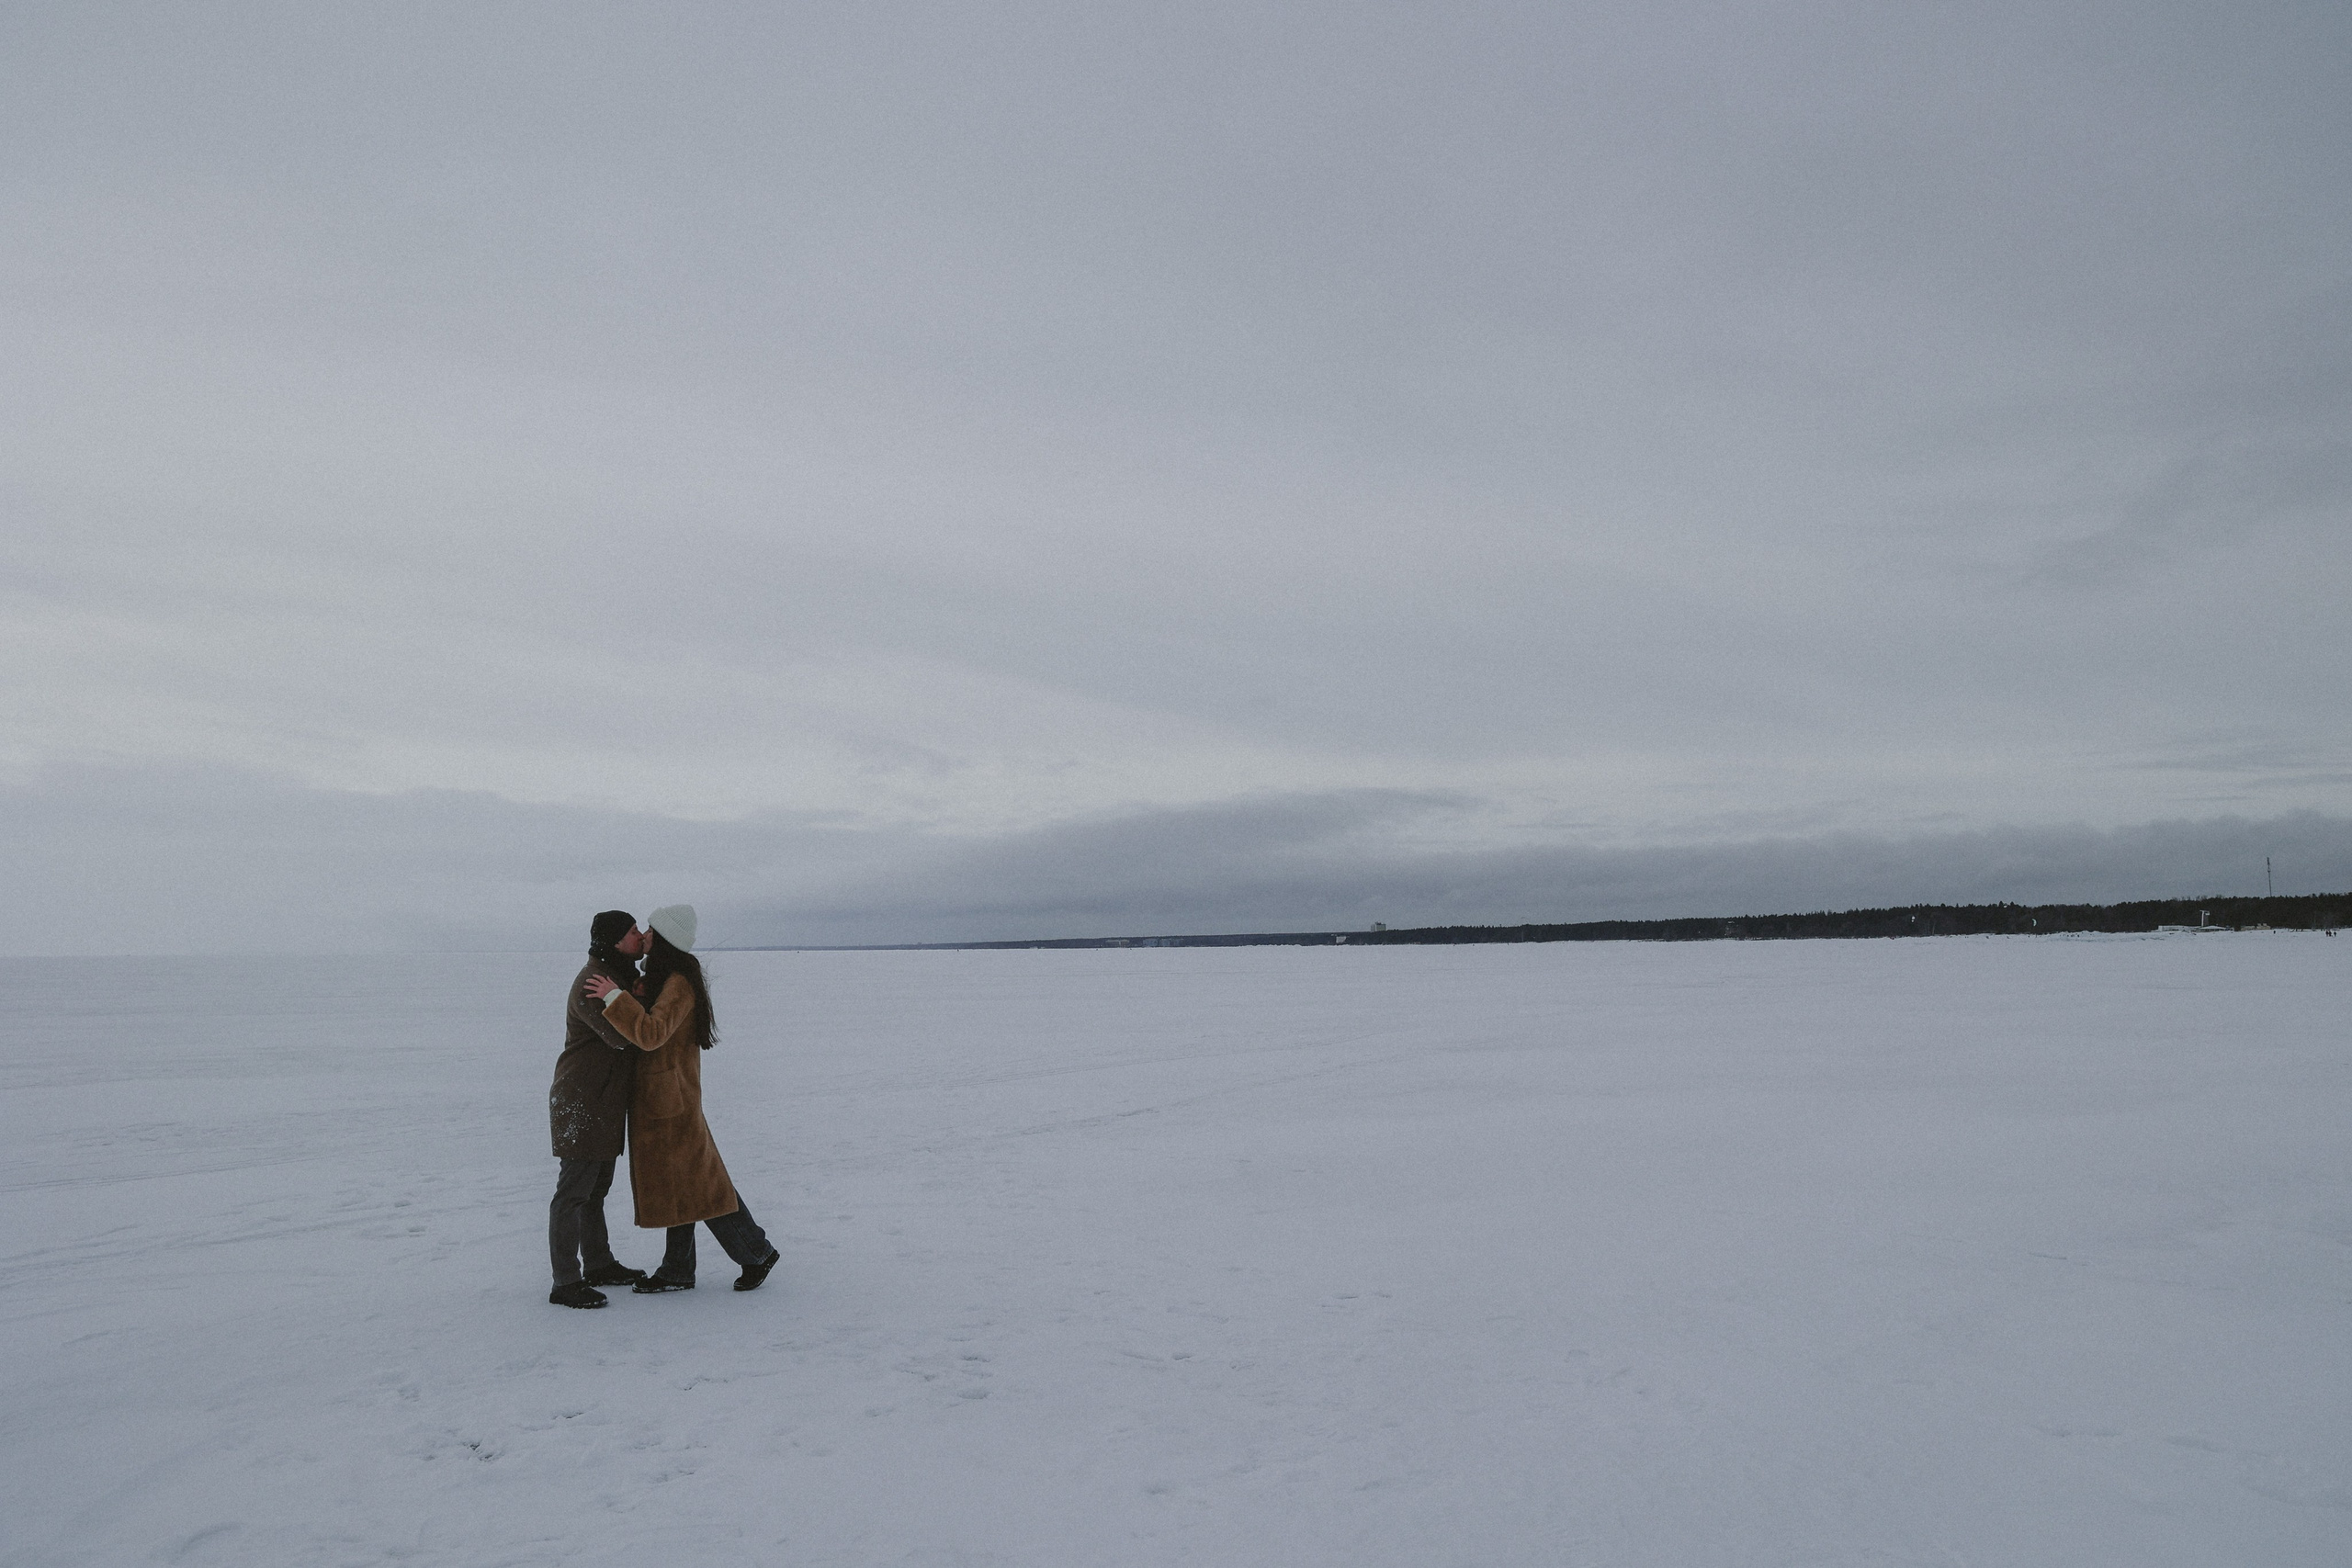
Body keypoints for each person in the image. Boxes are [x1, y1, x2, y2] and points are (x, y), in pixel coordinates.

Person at [584, 904, 780, 1293]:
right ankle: (680, 1268)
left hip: (670, 1098)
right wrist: (636, 994)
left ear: (666, 939)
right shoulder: (666, 978)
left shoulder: (678, 983)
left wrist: (614, 999)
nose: (645, 937)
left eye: (652, 931)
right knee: (685, 1183)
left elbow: (652, 1034)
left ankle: (755, 1251)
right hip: (667, 1095)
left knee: (699, 1185)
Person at [548, 910, 655, 1309]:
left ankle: (598, 1264)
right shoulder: (594, 982)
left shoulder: (618, 977)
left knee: (596, 1191)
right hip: (581, 1100)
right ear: (614, 942)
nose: (639, 937)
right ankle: (565, 1282)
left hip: (603, 1100)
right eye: (631, 932)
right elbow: (622, 1036)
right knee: (573, 1193)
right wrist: (633, 999)